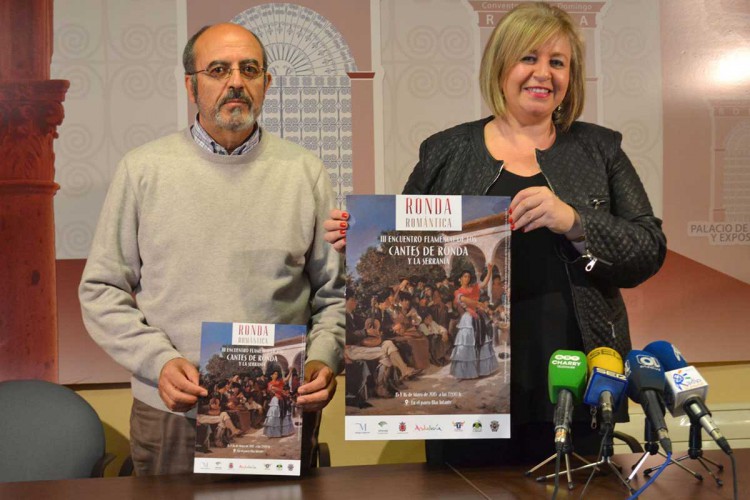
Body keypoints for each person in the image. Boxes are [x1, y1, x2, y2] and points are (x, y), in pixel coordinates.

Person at [324, 2, 666, 465]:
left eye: (557, 62)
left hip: (575, 373)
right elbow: (405, 237)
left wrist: (574, 221)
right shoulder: (446, 150)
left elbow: (648, 250)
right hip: (469, 404)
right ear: (501, 65)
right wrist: (361, 237)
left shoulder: (600, 149)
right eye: (529, 57)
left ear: (571, 76)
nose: (542, 73)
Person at [79, 23, 345, 475]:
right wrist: (158, 360)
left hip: (279, 411)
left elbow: (334, 294)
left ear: (266, 83)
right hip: (172, 415)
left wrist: (324, 356)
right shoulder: (143, 170)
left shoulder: (306, 173)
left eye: (249, 69)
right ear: (191, 85)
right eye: (218, 69)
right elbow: (101, 291)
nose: (235, 81)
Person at [451, 268, 498, 379]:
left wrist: (490, 270)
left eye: (468, 276)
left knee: (482, 341)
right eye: (464, 276)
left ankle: (481, 370)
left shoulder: (473, 288)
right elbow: (467, 301)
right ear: (460, 279)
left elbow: (485, 283)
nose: (466, 278)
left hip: (478, 316)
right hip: (468, 318)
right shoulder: (458, 292)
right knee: (468, 344)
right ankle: (467, 372)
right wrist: (479, 304)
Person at [263, 370, 295, 438]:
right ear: (271, 375)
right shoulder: (270, 383)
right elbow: (272, 388)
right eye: (274, 374)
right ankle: (273, 433)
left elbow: (286, 379)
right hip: (275, 399)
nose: (276, 375)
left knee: (283, 414)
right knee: (274, 415)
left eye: (277, 374)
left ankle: (283, 432)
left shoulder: (279, 381)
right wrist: (281, 390)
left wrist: (290, 372)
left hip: (282, 399)